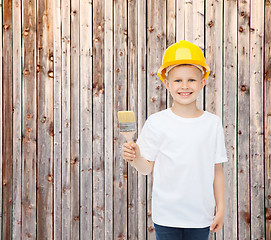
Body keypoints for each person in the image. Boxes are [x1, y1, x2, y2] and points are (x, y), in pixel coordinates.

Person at [122, 40, 228, 240]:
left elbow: (217, 169)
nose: (185, 86)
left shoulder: (212, 123)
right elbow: (146, 168)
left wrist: (221, 208)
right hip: (166, 216)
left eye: (192, 80)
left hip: (201, 216)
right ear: (167, 84)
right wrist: (134, 157)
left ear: (203, 82)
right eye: (178, 81)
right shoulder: (156, 122)